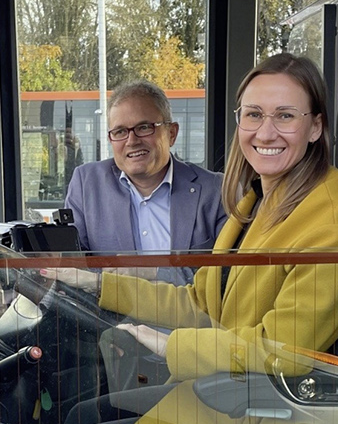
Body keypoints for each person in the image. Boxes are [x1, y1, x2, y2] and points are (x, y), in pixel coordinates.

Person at [51, 53, 338, 424]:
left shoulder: (334, 217)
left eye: (285, 116)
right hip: (227, 394)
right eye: (254, 115)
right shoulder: (257, 201)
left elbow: (286, 353)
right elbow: (200, 300)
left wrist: (171, 348)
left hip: (265, 419)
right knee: (77, 422)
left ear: (316, 126)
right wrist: (96, 286)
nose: (266, 132)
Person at [64, 81, 225, 280]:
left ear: (171, 133)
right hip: (108, 310)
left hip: (188, 311)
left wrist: (152, 272)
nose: (132, 141)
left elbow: (223, 276)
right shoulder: (86, 183)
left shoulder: (215, 191)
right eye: (120, 132)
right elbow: (75, 269)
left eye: (144, 127)